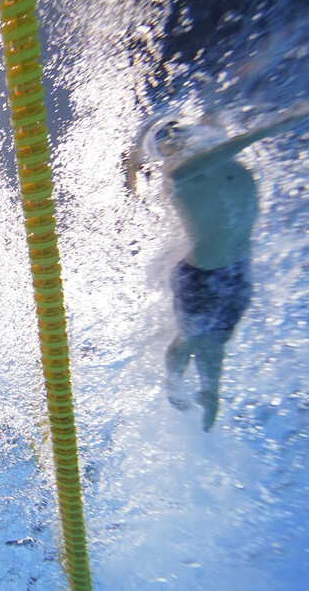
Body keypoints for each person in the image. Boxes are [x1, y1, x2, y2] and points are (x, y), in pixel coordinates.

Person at [130, 101, 309, 431]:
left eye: (177, 126)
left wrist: (213, 118)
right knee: (192, 340)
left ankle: (211, 391)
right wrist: (275, 125)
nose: (174, 132)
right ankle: (173, 382)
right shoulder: (177, 173)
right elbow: (204, 156)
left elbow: (216, 129)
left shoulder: (216, 153)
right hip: (201, 277)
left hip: (239, 272)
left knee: (220, 340)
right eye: (165, 135)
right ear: (162, 152)